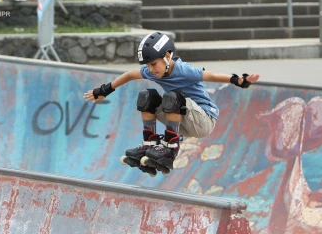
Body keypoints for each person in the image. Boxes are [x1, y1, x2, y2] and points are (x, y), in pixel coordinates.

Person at [83, 32, 260, 175]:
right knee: (147, 96)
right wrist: (105, 90)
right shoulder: (152, 71)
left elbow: (211, 75)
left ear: (167, 56)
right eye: (148, 66)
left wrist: (238, 80)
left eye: (153, 64)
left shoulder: (184, 70)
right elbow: (129, 75)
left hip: (204, 120)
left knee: (172, 96)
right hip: (180, 121)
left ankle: (170, 148)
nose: (151, 70)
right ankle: (150, 145)